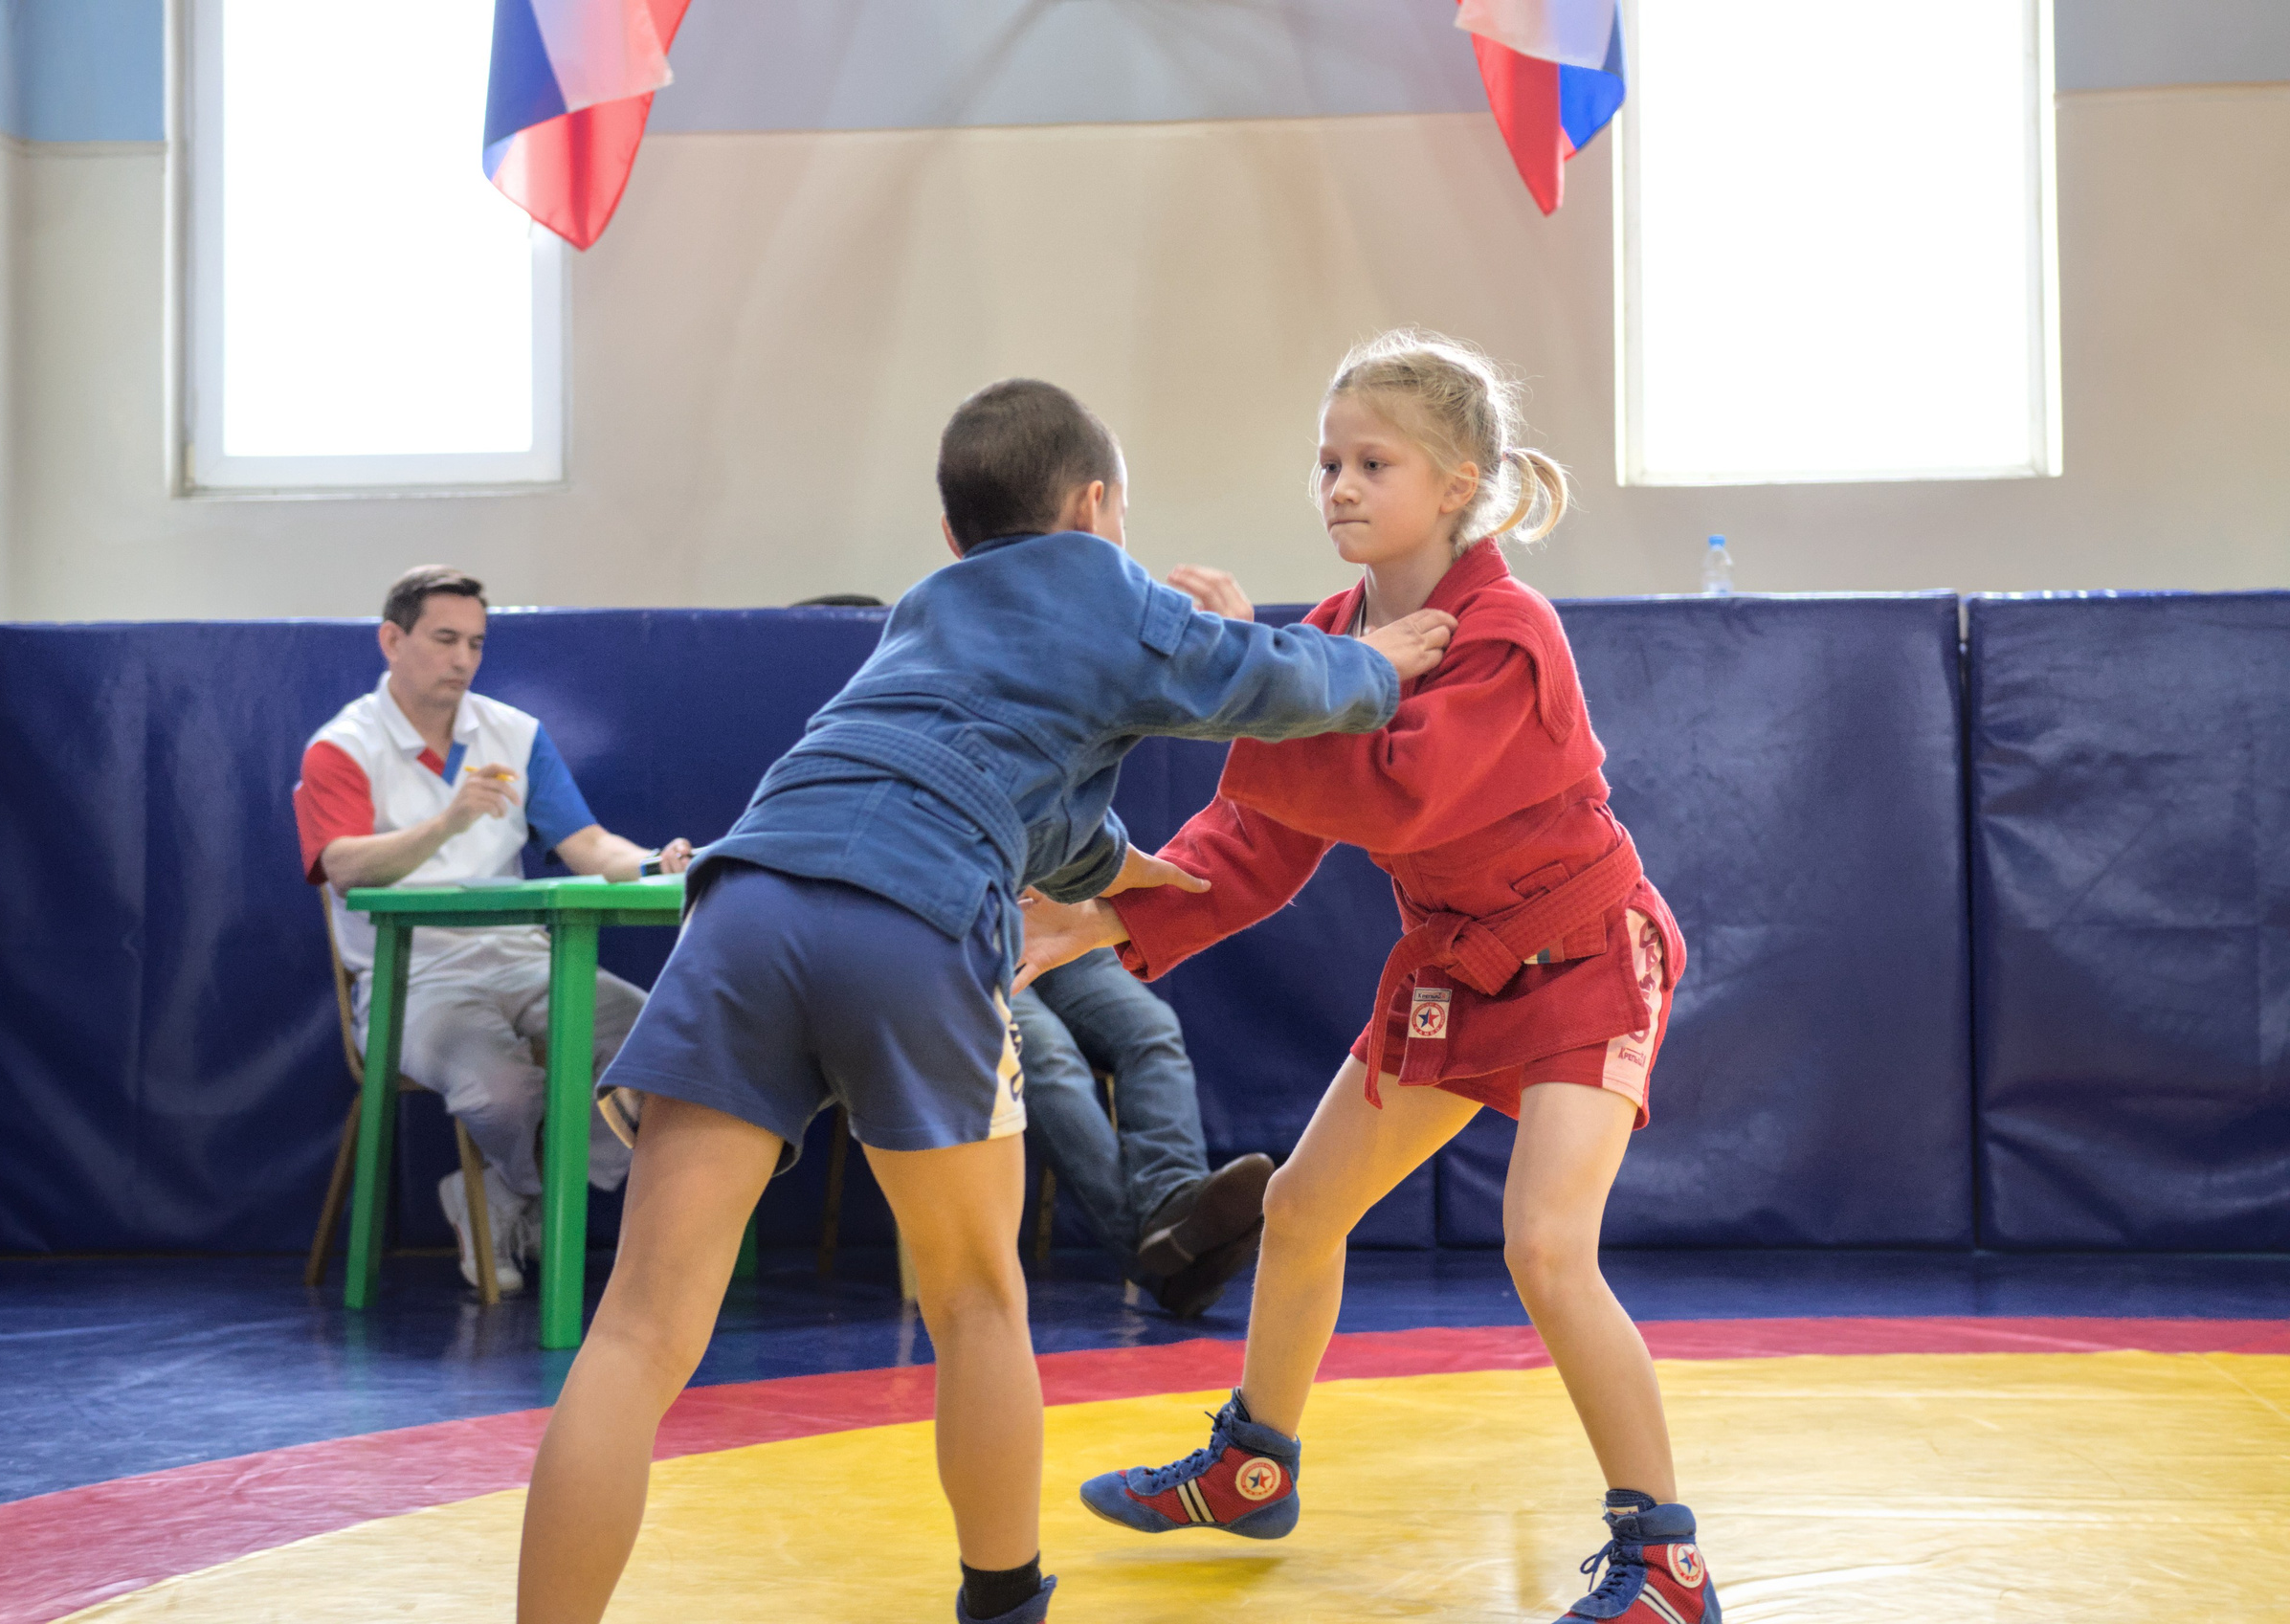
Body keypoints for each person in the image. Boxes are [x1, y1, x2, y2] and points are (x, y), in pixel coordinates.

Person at [513, 378, 1459, 1624]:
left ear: (954, 534)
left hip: (747, 898)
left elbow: (1030, 807)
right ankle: (1004, 1601)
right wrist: (1377, 666)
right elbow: (1253, 679)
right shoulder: (1094, 576)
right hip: (907, 913)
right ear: (1095, 505)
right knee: (973, 1300)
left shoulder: (927, 610)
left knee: (636, 1333)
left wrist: (1139, 874)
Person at [1024, 330, 1716, 1624]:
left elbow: (1400, 792)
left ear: (1459, 481)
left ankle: (1665, 1557)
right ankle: (1252, 1462)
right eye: (1325, 461)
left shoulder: (1509, 635)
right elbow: (1260, 841)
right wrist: (1107, 915)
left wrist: (1235, 689)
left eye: (1371, 462)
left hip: (1585, 960)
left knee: (1549, 1249)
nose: (1337, 485)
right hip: (1457, 970)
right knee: (1299, 1208)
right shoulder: (1341, 632)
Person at [292, 567, 693, 1296]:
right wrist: (449, 819)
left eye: (476, 642)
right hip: (410, 975)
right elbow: (344, 867)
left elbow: (589, 845)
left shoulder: (516, 732)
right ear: (392, 639)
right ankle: (527, 1196)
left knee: (666, 1049)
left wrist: (653, 864)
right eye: (445, 639)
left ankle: (512, 1196)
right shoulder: (340, 747)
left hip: (526, 958)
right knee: (501, 1091)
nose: (463, 659)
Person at [1013, 949, 1272, 1317]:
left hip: (1061, 937)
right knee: (1048, 1055)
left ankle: (1172, 1200)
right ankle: (1161, 1264)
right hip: (972, 941)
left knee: (1153, 1029)